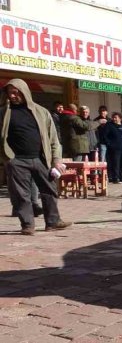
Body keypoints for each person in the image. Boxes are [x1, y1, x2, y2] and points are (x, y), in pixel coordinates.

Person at [0, 79, 71, 235]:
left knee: (49, 190)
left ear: (24, 91)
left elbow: (53, 138)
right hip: (17, 160)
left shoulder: (41, 112)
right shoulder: (4, 113)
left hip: (41, 159)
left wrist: (56, 159)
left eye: (16, 92)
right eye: (10, 92)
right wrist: (7, 159)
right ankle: (27, 225)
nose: (13, 95)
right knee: (21, 195)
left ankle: (53, 222)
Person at [104, 112, 122, 184]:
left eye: (116, 117)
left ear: (120, 118)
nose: (114, 119)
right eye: (113, 117)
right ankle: (115, 178)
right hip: (115, 148)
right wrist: (109, 144)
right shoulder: (109, 125)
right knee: (115, 163)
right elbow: (105, 136)